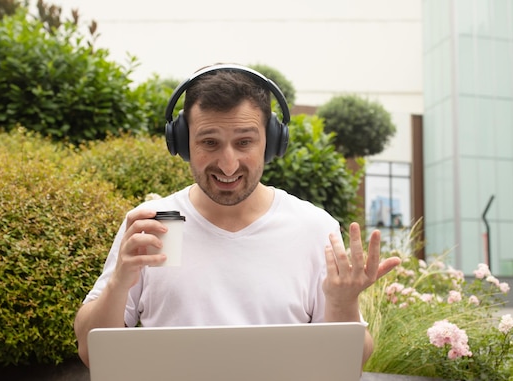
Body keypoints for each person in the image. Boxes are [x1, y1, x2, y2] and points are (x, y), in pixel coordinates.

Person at [74, 63, 401, 368]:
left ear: (272, 142)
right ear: (183, 143)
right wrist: (119, 283)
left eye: (244, 141)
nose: (228, 164)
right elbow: (91, 352)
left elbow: (350, 362)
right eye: (209, 142)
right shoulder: (156, 225)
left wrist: (344, 304)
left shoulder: (313, 228)